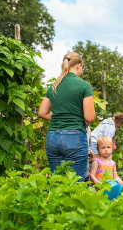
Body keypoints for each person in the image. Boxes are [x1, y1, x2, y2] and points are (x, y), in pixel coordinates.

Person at [38, 52, 96, 182]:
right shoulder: (84, 86)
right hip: (74, 137)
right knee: (75, 183)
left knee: (57, 182)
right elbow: (90, 117)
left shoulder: (54, 86)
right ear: (79, 66)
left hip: (52, 138)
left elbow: (42, 112)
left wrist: (61, 116)